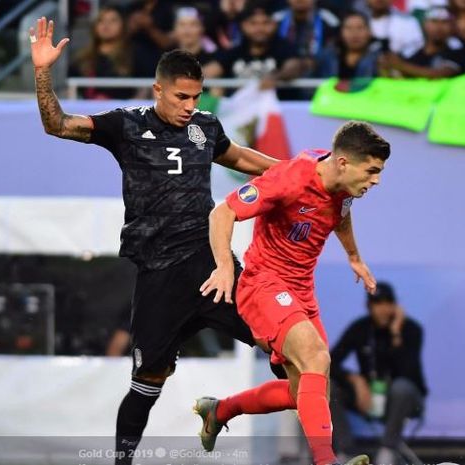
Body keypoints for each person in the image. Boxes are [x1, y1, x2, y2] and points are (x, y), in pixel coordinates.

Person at [28, 17, 280, 465]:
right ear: (157, 90)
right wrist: (43, 71)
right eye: (181, 97)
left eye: (196, 97)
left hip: (212, 267)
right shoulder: (124, 126)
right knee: (147, 382)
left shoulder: (206, 127)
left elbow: (239, 157)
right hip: (159, 276)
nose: (189, 106)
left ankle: (322, 452)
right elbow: (58, 125)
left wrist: (296, 172)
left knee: (288, 349)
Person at [195, 121, 391, 465]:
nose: (376, 180)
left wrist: (354, 257)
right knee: (317, 358)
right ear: (343, 162)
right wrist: (225, 266)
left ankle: (219, 410)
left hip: (302, 290)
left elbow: (341, 214)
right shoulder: (289, 178)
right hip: (263, 285)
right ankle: (326, 462)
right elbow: (222, 212)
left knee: (308, 394)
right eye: (372, 171)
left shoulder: (344, 185)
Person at [330, 282, 428, 465]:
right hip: (369, 397)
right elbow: (330, 361)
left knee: (402, 388)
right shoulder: (360, 328)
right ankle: (346, 452)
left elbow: (409, 374)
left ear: (395, 306)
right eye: (377, 303)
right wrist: (355, 380)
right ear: (369, 306)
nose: (383, 309)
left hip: (403, 400)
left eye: (387, 303)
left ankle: (387, 452)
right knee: (329, 388)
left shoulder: (412, 330)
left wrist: (396, 334)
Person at [379, 6, 465, 79]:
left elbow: (441, 74)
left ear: (452, 26)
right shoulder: (411, 50)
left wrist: (401, 66)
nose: (438, 27)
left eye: (444, 22)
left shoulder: (457, 48)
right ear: (424, 24)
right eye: (434, 21)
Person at [69, 6, 137, 100]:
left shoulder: (134, 55)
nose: (106, 25)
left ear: (123, 25)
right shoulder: (82, 58)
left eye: (113, 20)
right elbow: (71, 88)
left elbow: (144, 87)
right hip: (88, 111)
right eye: (101, 20)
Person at [314, 10, 383, 79]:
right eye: (349, 28)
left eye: (360, 28)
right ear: (340, 32)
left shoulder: (380, 59)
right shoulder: (327, 57)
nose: (355, 33)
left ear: (370, 32)